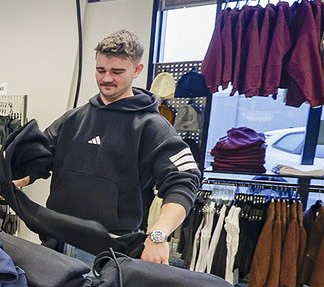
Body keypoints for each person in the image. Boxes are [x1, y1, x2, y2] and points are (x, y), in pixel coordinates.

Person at [12, 29, 201, 264]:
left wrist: (158, 235)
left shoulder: (152, 127)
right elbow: (39, 160)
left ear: (137, 70)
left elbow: (184, 180)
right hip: (56, 243)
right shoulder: (73, 119)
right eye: (100, 70)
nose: (106, 78)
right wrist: (11, 181)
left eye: (117, 72)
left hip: (107, 252)